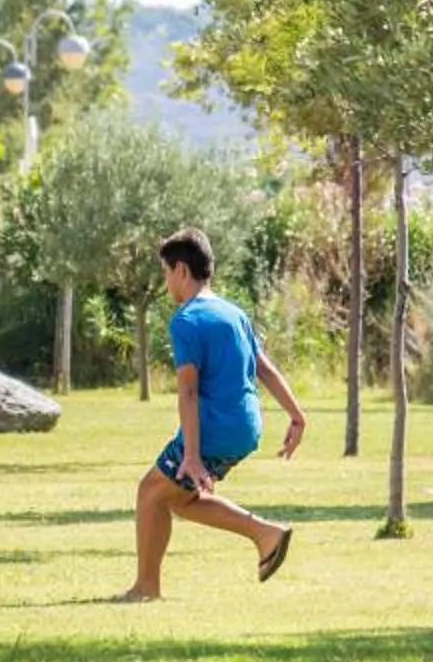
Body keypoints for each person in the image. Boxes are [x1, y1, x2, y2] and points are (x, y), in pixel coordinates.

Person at [118, 226, 303, 602]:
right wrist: (297, 416)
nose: (167, 283)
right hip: (246, 428)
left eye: (166, 273)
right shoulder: (234, 313)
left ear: (181, 270)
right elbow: (265, 369)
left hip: (214, 428)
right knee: (178, 499)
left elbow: (188, 391)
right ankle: (265, 535)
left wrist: (191, 455)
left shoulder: (186, 320)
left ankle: (145, 589)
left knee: (150, 492)